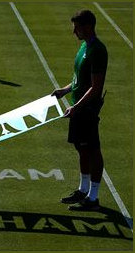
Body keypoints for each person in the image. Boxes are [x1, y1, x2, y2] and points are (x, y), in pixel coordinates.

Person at [51, 10, 107, 211]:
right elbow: (79, 79)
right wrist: (64, 91)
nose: (74, 32)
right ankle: (83, 190)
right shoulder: (85, 46)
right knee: (81, 148)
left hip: (87, 110)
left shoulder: (97, 50)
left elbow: (95, 87)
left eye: (77, 27)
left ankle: (93, 197)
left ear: (88, 27)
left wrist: (76, 107)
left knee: (93, 149)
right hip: (78, 107)